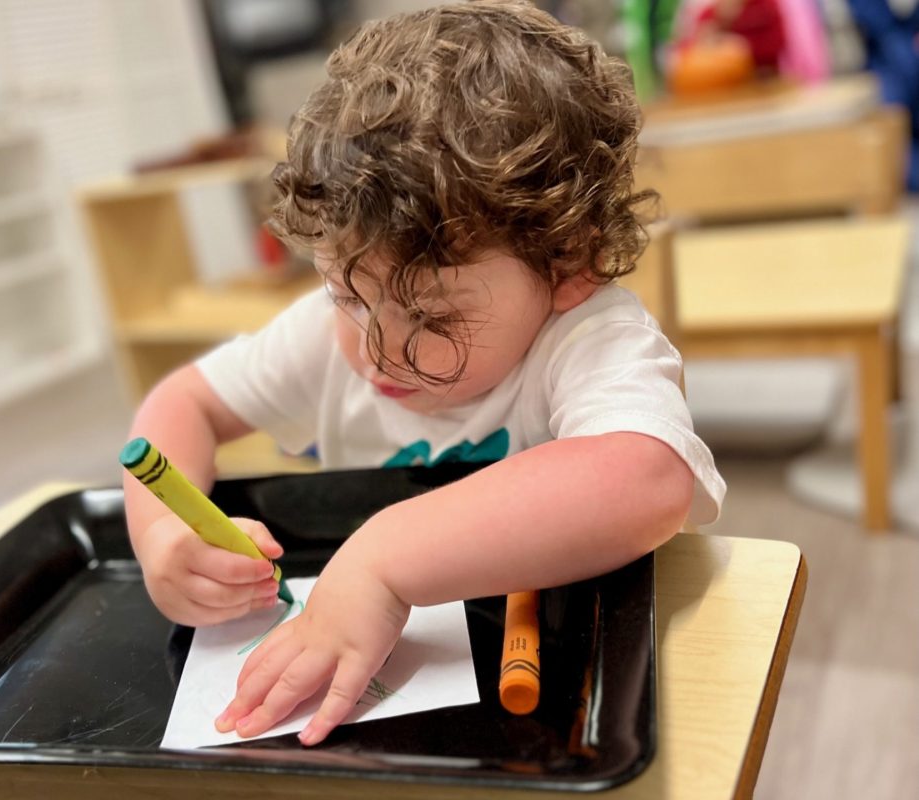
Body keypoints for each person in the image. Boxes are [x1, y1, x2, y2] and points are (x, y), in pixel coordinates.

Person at [123, 0, 726, 747]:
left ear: (570, 261)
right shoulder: (327, 333)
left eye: (430, 318)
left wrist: (384, 560)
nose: (378, 350)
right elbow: (182, 403)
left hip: (556, 703)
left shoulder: (586, 336)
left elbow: (648, 479)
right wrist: (163, 537)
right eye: (348, 296)